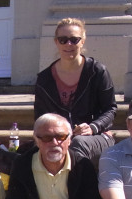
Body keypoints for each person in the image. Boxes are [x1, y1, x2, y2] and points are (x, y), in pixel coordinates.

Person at [34, 18, 116, 160]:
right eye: (63, 40)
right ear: (56, 42)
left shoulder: (97, 72)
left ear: (82, 41)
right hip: (60, 137)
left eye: (74, 39)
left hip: (98, 135)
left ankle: (77, 182)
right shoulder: (44, 79)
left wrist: (93, 127)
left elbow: (111, 109)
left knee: (77, 144)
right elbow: (40, 117)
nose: (68, 44)